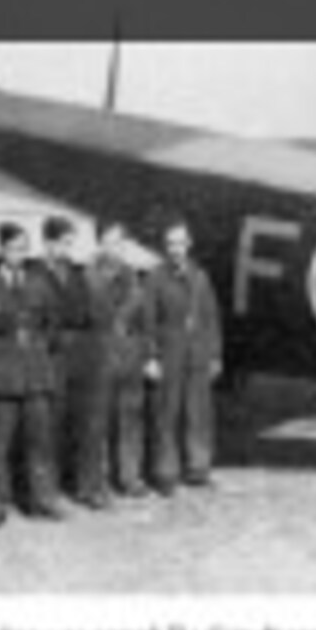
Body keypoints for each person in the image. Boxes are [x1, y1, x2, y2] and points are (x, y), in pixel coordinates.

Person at [0, 222, 67, 520]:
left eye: (22, 248)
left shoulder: (39, 284)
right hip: (2, 376)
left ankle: (42, 499)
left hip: (35, 375)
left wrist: (38, 347)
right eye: (11, 248)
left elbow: (53, 326)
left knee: (39, 442)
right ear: (1, 250)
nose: (17, 254)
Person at [143, 216, 223, 496]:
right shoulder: (155, 278)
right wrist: (151, 356)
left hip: (197, 353)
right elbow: (149, 320)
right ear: (164, 247)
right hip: (169, 351)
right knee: (167, 414)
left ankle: (198, 468)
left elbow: (211, 319)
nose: (175, 249)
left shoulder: (200, 277)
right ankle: (166, 473)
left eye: (180, 243)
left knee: (198, 413)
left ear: (189, 244)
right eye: (170, 244)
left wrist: (215, 354)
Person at [81, 220, 149, 505]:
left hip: (130, 355)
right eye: (109, 243)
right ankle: (97, 482)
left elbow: (143, 319)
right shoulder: (88, 276)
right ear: (100, 244)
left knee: (130, 417)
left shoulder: (133, 276)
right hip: (100, 354)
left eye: (120, 243)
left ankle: (129, 476)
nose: (115, 249)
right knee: (98, 422)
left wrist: (145, 353)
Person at [32, 216, 94, 502]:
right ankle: (47, 491)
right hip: (50, 354)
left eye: (71, 243)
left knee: (80, 419)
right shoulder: (34, 274)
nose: (68, 249)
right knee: (50, 424)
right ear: (48, 243)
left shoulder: (77, 274)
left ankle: (83, 486)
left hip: (78, 352)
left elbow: (85, 311)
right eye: (64, 243)